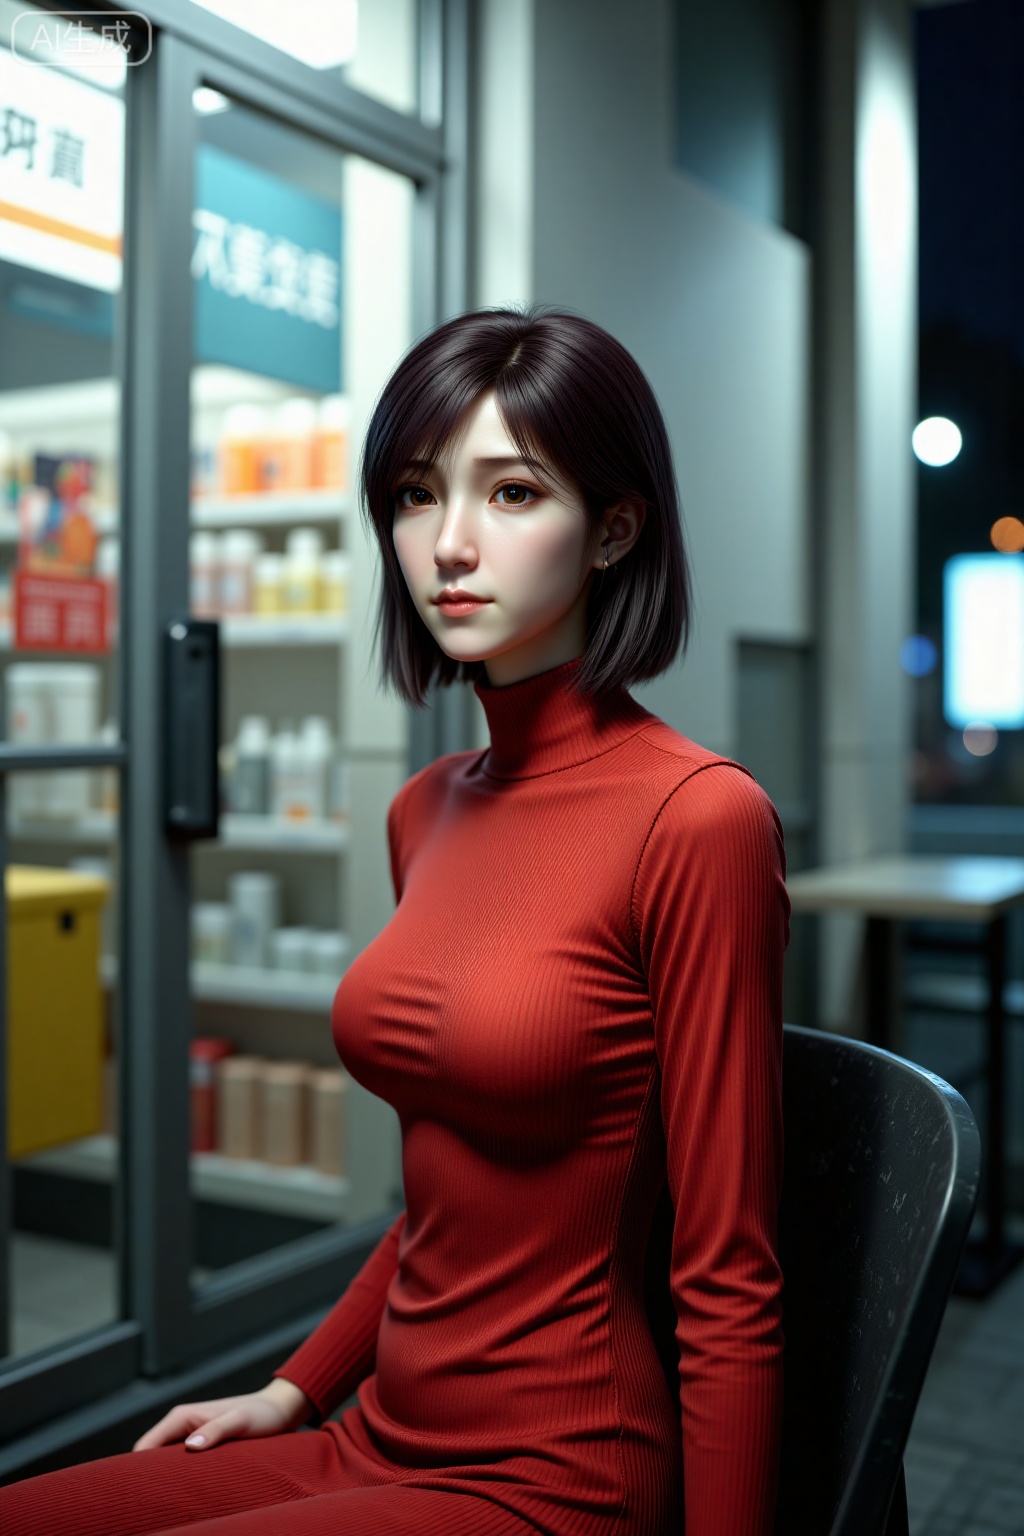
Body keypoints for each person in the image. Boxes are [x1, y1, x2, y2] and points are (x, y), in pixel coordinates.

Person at [0, 306, 789, 1536]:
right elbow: (443, 1200)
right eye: (416, 495)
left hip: (559, 1474)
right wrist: (294, 1387)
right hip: (375, 1430)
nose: (449, 545)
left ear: (615, 530)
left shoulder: (697, 819)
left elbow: (730, 1273)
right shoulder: (425, 811)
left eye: (513, 493)